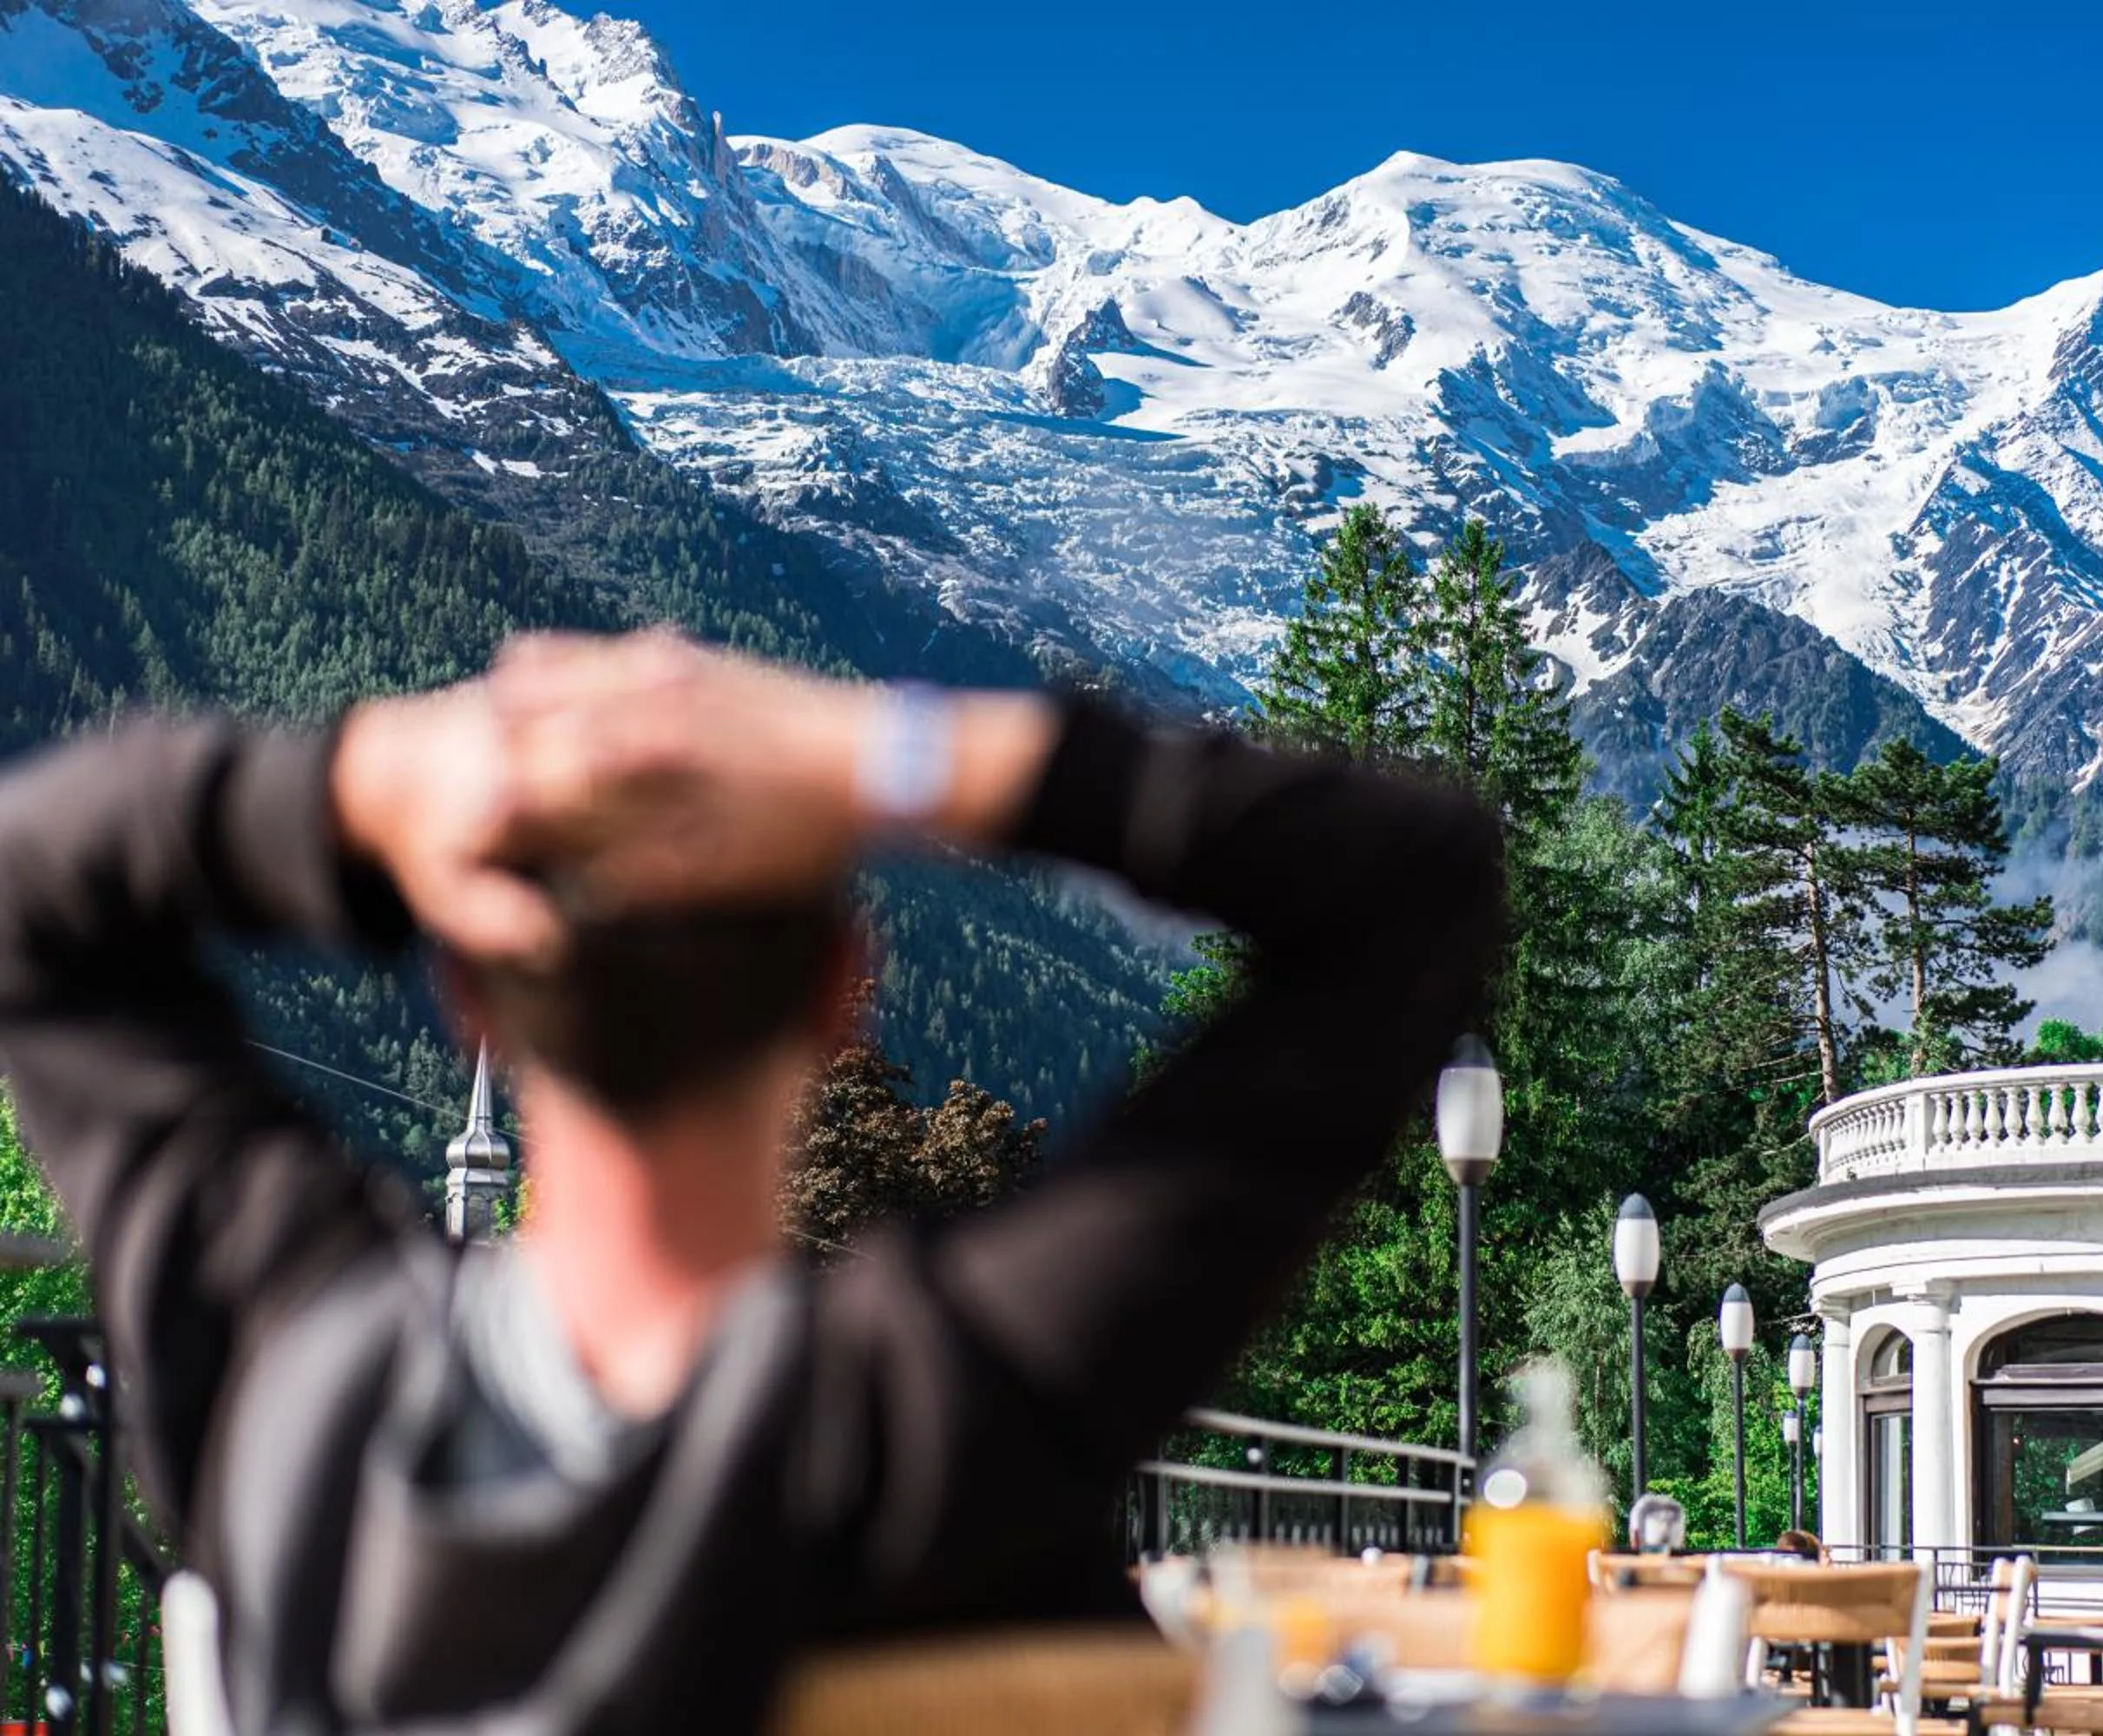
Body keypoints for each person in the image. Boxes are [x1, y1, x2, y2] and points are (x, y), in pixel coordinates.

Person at [0, 632, 1503, 1732]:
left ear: (468, 995)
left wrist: (374, 778)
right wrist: (884, 753)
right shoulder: (931, 1415)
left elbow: (33, 888)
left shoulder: (287, 1360)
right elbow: (1410, 882)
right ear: (842, 993)